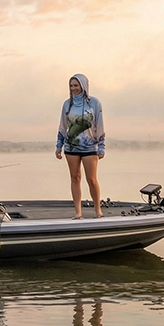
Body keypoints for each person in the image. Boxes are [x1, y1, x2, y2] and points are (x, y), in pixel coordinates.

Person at [55, 74, 106, 218]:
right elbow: (63, 126)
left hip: (90, 147)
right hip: (71, 147)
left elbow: (99, 125)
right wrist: (59, 146)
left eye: (76, 86)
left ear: (83, 86)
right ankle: (78, 212)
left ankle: (98, 210)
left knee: (92, 179)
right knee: (75, 178)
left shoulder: (95, 103)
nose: (73, 89)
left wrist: (101, 147)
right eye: (71, 86)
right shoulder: (67, 104)